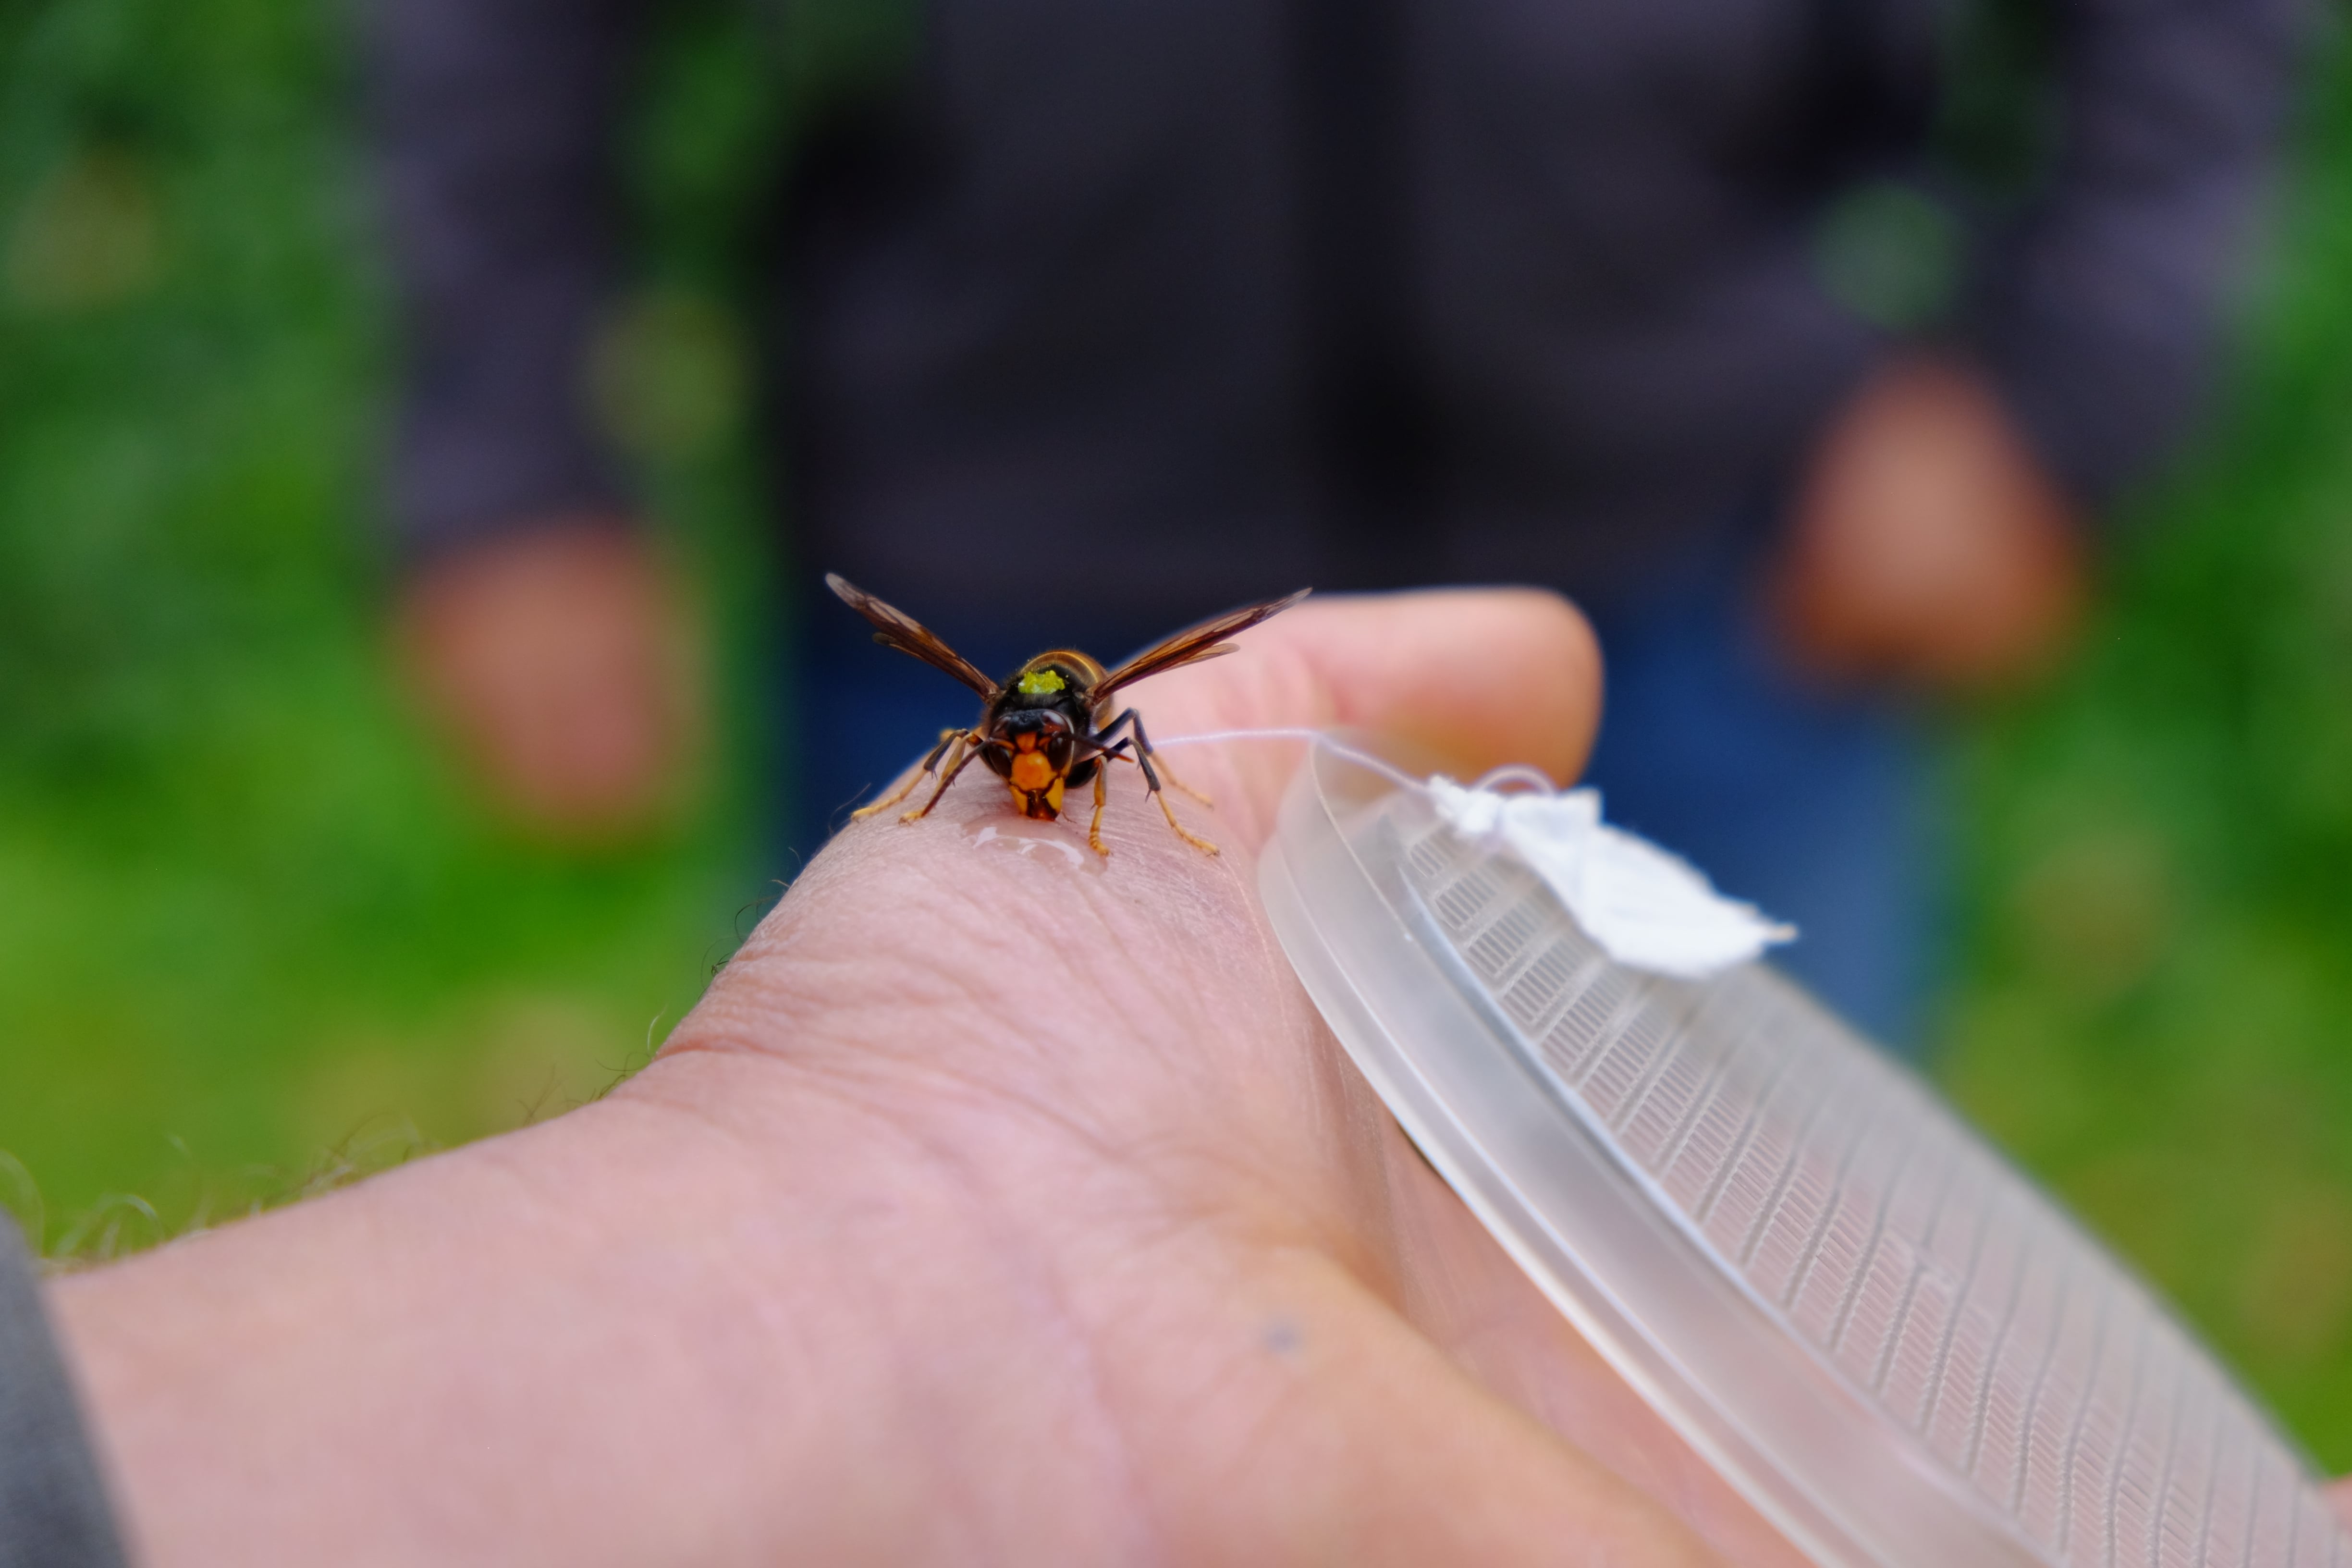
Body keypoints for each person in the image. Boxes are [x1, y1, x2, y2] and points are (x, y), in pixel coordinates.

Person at [372, 0, 2297, 1047]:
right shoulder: (1023, 727)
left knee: (1741, 1388)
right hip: (988, 492)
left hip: (1708, 568)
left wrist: (2069, 375)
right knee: (972, 1380)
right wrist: (508, 444)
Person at [8, 592, 1822, 1565]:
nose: (1039, 781)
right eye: (1027, 767)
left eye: (1054, 767)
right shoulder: (990, 738)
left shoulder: (1104, 736)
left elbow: (1109, 737)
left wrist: (1149, 805)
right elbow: (990, 739)